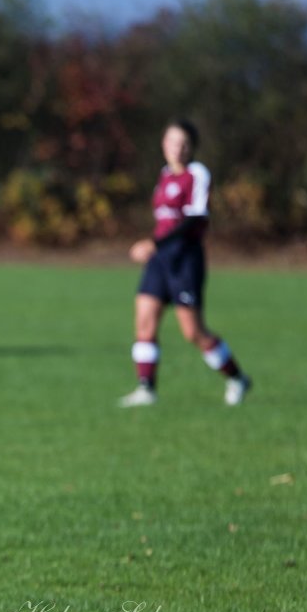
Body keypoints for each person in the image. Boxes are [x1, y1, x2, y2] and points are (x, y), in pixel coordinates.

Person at [119, 119, 251, 407]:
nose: (177, 149)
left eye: (183, 144)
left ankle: (237, 378)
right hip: (160, 261)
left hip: (185, 259)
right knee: (144, 322)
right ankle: (146, 388)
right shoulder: (164, 175)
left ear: (191, 148)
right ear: (163, 145)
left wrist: (154, 243)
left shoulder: (197, 174)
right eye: (172, 142)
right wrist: (155, 247)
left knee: (193, 332)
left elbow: (195, 217)